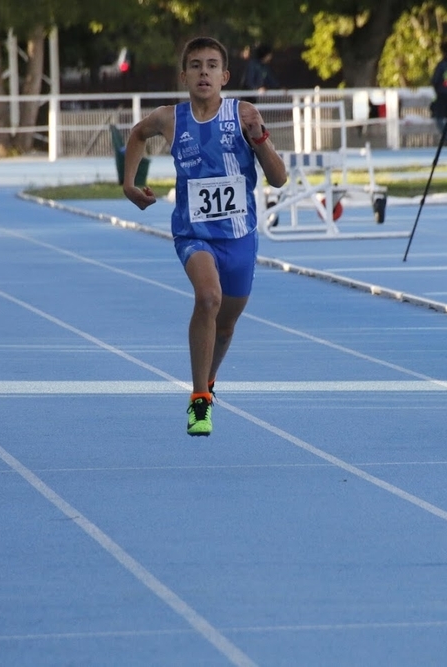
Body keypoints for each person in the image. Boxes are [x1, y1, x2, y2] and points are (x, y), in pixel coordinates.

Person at [122, 37, 288, 437]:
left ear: (225, 76)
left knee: (227, 323)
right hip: (193, 233)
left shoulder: (244, 113)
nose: (203, 73)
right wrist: (129, 184)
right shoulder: (169, 118)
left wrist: (260, 139)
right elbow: (137, 135)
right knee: (208, 297)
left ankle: (208, 383)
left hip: (239, 235)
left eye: (212, 66)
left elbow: (279, 179)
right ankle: (199, 400)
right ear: (183, 75)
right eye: (195, 65)